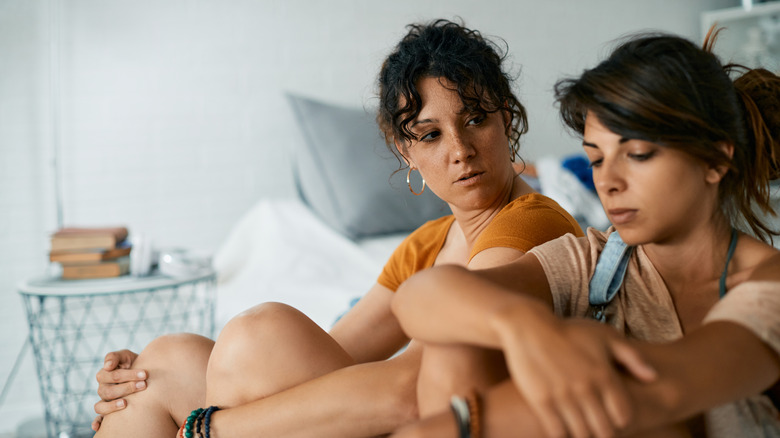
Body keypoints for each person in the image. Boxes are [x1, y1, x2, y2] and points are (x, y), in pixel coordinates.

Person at [91, 19, 584, 438]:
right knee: (161, 365)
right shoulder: (429, 245)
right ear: (405, 152)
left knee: (256, 336)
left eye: (475, 119)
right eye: (430, 134)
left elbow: (414, 392)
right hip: (386, 409)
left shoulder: (532, 223)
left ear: (508, 118)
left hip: (440, 425)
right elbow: (331, 360)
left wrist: (209, 428)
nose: (459, 149)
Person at [387, 28, 780, 438]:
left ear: (715, 159)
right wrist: (523, 326)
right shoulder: (594, 263)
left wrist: (450, 428)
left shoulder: (768, 283)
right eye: (596, 159)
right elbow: (421, 296)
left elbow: (660, 393)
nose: (608, 181)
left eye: (638, 155)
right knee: (459, 339)